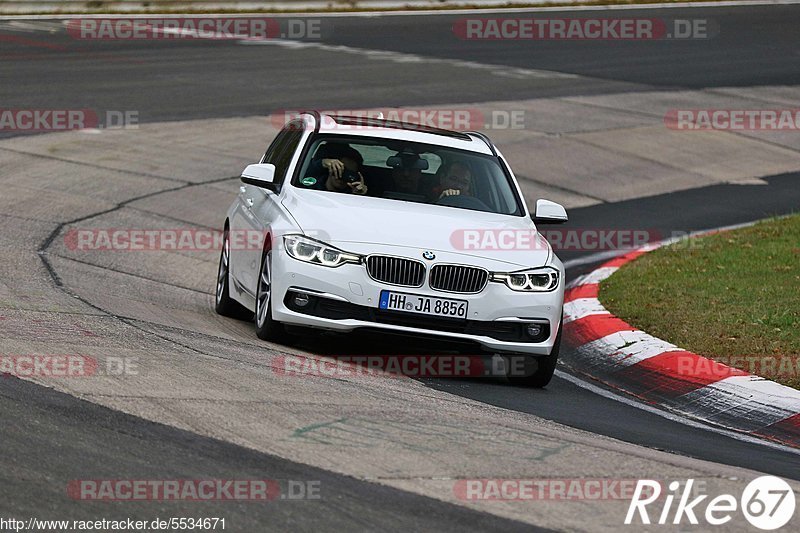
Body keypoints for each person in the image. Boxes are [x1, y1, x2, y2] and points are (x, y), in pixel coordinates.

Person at [302, 143, 368, 195]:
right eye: (340, 169)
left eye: (348, 173)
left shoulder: (351, 194)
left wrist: (359, 195)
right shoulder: (311, 183)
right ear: (331, 167)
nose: (341, 176)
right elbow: (298, 176)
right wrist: (321, 163)